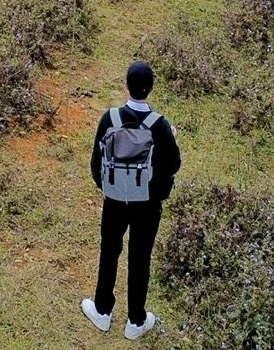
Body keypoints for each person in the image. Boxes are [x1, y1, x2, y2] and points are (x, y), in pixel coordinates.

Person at [82, 61, 181, 341]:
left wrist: (111, 188)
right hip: (147, 205)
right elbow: (173, 165)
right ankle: (136, 321)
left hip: (114, 200)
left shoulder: (109, 119)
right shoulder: (159, 126)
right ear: (150, 88)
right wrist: (171, 140)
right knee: (140, 257)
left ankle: (102, 310)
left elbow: (95, 164)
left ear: (126, 85)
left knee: (109, 251)